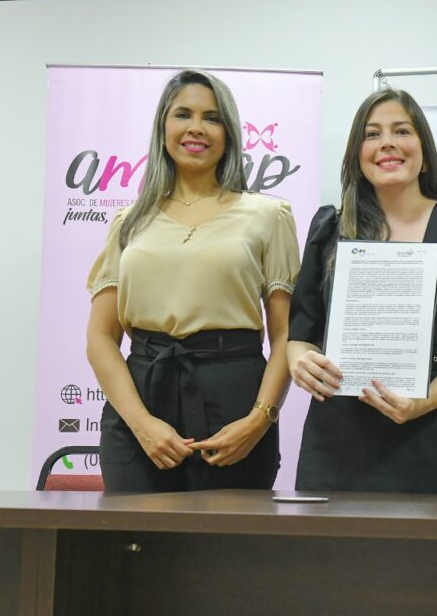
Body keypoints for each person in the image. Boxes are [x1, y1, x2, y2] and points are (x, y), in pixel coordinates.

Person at [86, 69, 299, 492]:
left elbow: (286, 336)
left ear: (229, 133)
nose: (196, 128)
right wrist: (141, 423)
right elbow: (100, 337)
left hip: (235, 402)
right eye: (183, 114)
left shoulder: (268, 216)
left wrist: (259, 420)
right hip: (141, 401)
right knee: (133, 535)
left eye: (212, 118)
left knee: (227, 535)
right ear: (163, 127)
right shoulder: (129, 222)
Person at [288, 88, 437, 494]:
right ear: (357, 155)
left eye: (402, 131)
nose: (387, 143)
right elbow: (300, 334)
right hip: (337, 439)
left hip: (436, 431)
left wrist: (426, 400)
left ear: (424, 149)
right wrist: (300, 362)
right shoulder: (330, 228)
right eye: (372, 134)